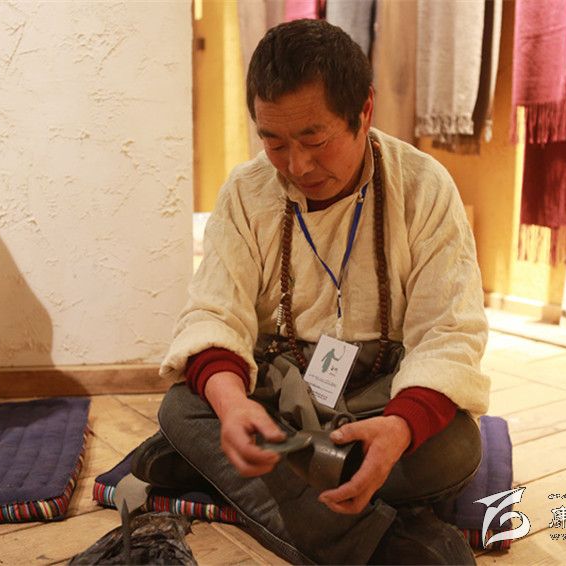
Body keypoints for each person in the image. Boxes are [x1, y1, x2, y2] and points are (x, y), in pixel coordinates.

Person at [155, 19, 489, 565]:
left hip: (381, 390)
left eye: (315, 140)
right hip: (280, 389)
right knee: (183, 408)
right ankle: (377, 545)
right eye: (274, 142)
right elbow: (214, 313)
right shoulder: (246, 193)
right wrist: (233, 406)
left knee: (456, 448)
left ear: (365, 111)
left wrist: (400, 427)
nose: (297, 165)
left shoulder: (423, 187)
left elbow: (449, 332)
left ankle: (246, 480)